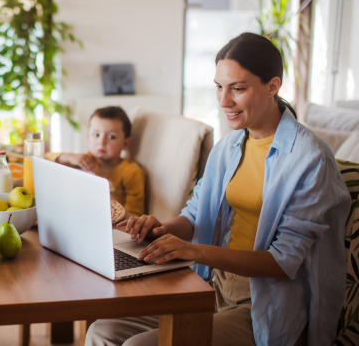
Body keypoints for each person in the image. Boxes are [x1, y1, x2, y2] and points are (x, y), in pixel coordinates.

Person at [85, 33, 351, 346]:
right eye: (219, 87)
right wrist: (162, 229)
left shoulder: (311, 159)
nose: (224, 100)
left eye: (238, 89)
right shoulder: (229, 147)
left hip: (264, 305)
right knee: (101, 331)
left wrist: (194, 250)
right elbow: (197, 214)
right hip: (211, 286)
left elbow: (282, 262)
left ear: (273, 86)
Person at [47, 106, 146, 216]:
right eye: (96, 135)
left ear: (125, 143)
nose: (101, 141)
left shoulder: (132, 172)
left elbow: (135, 217)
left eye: (111, 137)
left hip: (114, 226)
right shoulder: (85, 160)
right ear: (88, 137)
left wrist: (113, 203)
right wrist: (69, 156)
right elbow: (45, 160)